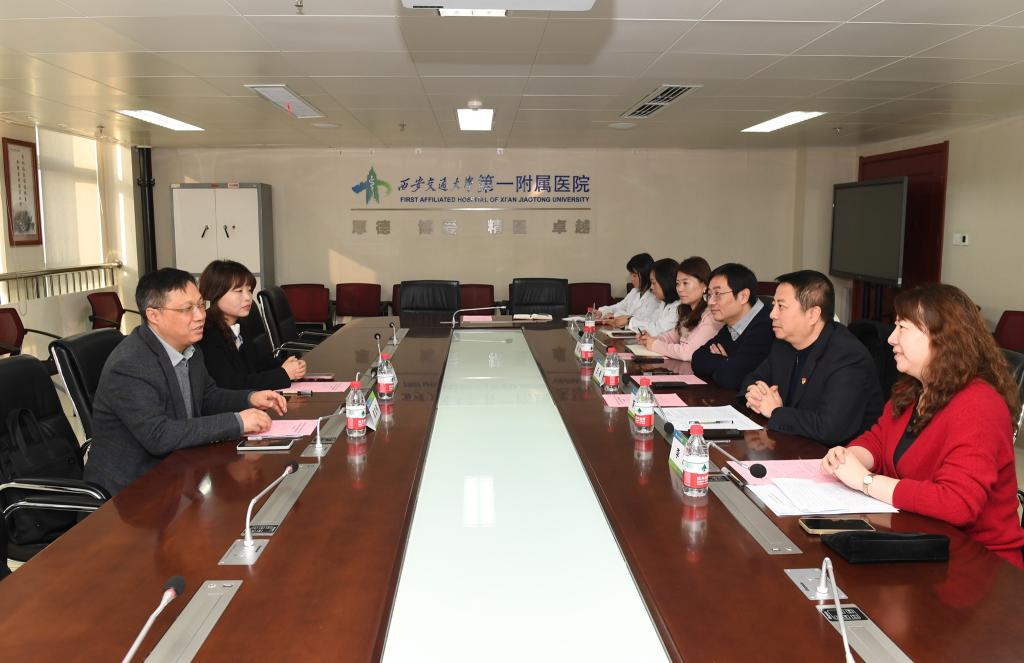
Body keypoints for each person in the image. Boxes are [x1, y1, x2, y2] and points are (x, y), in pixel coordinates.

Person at [821, 284, 1024, 568]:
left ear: (941, 338)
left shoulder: (980, 406)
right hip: (919, 541)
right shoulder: (914, 388)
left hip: (978, 563)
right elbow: (878, 440)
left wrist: (866, 481)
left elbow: (957, 504)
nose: (891, 338)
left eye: (902, 328)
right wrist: (848, 457)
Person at [85, 268, 287, 496]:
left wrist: (250, 398)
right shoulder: (131, 364)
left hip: (182, 471)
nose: (200, 316)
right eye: (187, 309)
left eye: (200, 305)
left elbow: (207, 396)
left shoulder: (190, 349)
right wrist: (237, 421)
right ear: (154, 315)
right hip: (133, 492)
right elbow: (159, 435)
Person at [741, 270, 883, 446]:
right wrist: (756, 395)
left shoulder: (848, 357)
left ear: (813, 315)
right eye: (773, 305)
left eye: (781, 306)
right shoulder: (783, 344)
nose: (772, 314)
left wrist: (775, 411)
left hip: (837, 455)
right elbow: (751, 380)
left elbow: (829, 428)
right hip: (791, 444)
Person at [197, 260, 306, 390]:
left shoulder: (239, 324)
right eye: (239, 291)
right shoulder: (206, 333)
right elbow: (231, 385)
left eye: (249, 290)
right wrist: (283, 374)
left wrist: (288, 365)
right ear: (215, 293)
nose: (248, 297)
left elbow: (257, 363)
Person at [690, 263, 773, 389]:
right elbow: (697, 359)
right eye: (709, 294)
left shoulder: (766, 326)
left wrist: (728, 363)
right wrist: (727, 362)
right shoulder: (732, 323)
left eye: (718, 294)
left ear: (743, 296)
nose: (711, 302)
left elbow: (729, 377)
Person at [637, 256, 722, 361]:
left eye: (685, 283)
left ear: (704, 285)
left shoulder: (711, 315)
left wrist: (654, 344)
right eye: (678, 283)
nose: (680, 289)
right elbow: (671, 337)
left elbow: (687, 353)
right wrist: (650, 339)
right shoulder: (687, 311)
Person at [597, 253, 658, 328]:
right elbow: (619, 306)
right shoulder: (634, 291)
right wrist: (601, 312)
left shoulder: (655, 296)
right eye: (631, 275)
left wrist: (616, 315)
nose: (631, 279)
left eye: (634, 276)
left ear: (645, 275)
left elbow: (640, 319)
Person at [625, 258, 681, 337]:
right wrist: (630, 321)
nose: (651, 287)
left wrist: (629, 321)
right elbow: (650, 321)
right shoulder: (664, 303)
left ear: (666, 282)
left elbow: (657, 330)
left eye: (654, 283)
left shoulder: (678, 307)